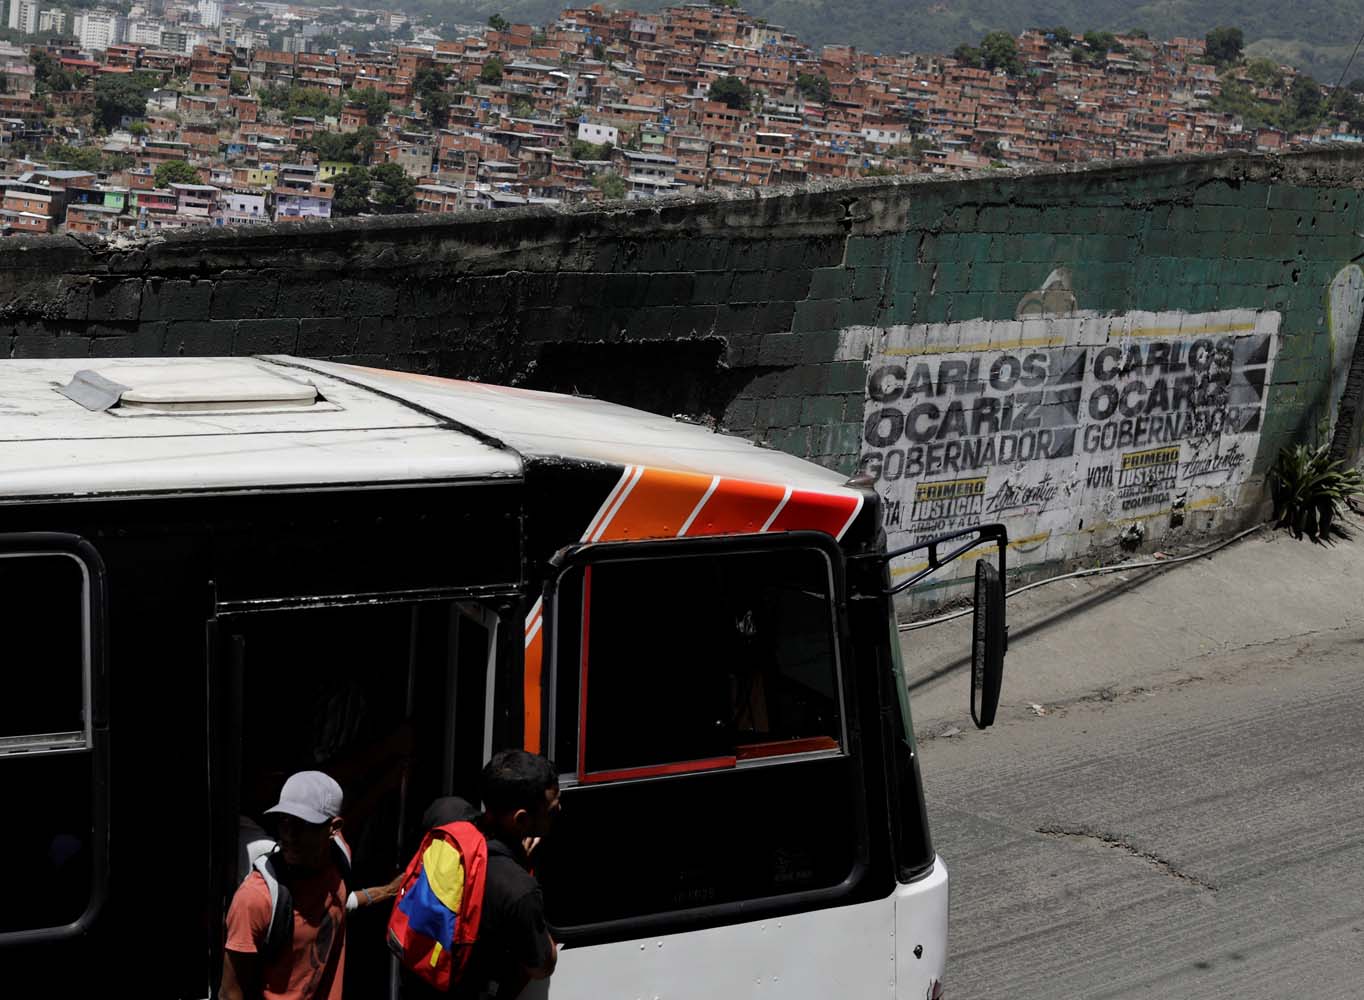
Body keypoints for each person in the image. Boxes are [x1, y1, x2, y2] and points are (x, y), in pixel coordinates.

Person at [221, 771, 402, 1000]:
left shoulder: (339, 862)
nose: (289, 834)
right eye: (284, 820)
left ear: (334, 828)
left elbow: (340, 902)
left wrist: (389, 890)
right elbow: (230, 994)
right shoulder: (255, 899)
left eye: (303, 824)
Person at [402, 751, 561, 999]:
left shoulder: (444, 812)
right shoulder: (518, 889)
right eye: (551, 810)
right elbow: (542, 966)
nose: (559, 808)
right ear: (521, 820)